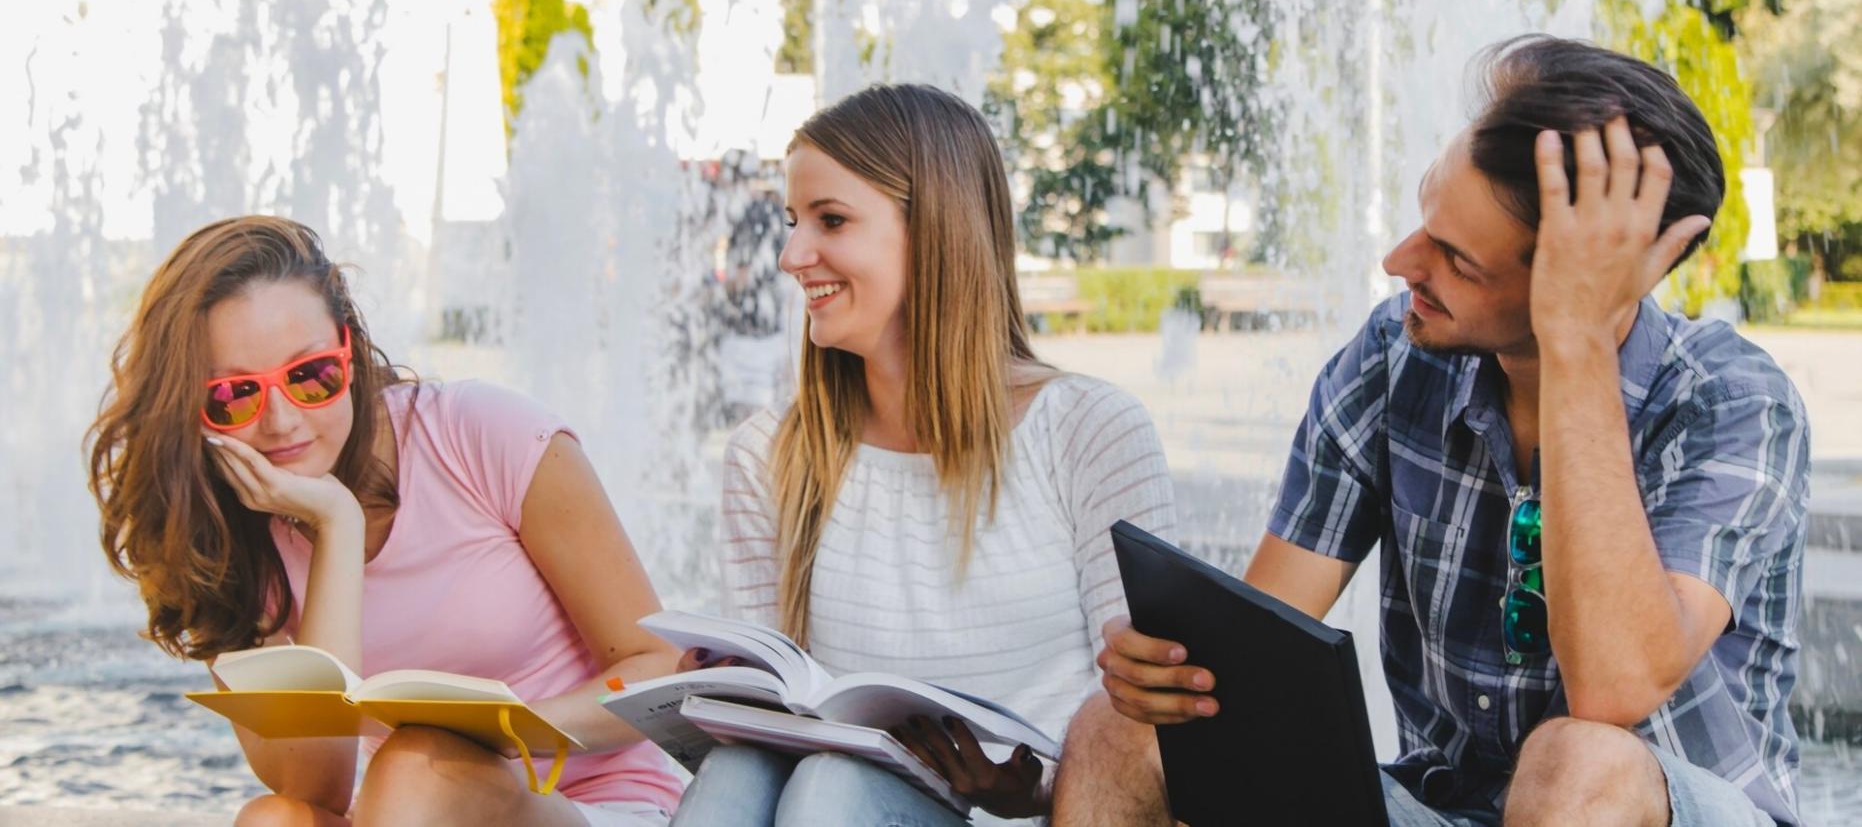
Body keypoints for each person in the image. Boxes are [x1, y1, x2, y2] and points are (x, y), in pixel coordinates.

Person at [1054, 36, 1811, 826]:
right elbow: (1259, 651)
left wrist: (1577, 343)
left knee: (1578, 761)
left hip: (1656, 807)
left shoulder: (1732, 402)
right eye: (1425, 220)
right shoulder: (1393, 358)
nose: (1398, 261)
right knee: (1123, 731)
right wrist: (1170, 674)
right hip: (1441, 807)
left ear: (1587, 284)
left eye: (1455, 259)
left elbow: (1613, 687)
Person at [669, 83, 1178, 826]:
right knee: (743, 772)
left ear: (935, 230)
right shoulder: (768, 454)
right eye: (791, 222)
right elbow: (776, 709)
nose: (790, 256)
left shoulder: (1090, 430)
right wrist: (726, 697)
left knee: (831, 793)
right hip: (836, 803)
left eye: (831, 220)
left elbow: (1146, 732)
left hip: (1033, 816)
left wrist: (1027, 791)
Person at [87, 216, 685, 826]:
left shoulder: (480, 433)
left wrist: (499, 738)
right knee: (273, 819)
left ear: (348, 351)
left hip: (595, 804)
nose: (281, 421)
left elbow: (658, 666)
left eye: (310, 376)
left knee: (417, 764)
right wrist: (336, 525)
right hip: (405, 815)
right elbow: (316, 787)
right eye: (234, 395)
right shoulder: (224, 534)